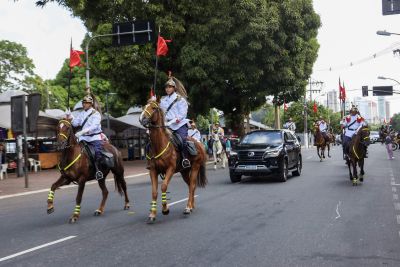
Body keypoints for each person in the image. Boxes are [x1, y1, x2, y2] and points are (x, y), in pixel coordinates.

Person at [69, 95, 104, 180]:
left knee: (97, 153)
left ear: (90, 104)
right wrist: (70, 116)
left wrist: (82, 132)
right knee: (75, 150)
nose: (84, 105)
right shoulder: (82, 113)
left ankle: (98, 171)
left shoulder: (96, 114)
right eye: (83, 103)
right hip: (83, 138)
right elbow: (75, 123)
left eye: (86, 103)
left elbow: (94, 126)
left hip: (94, 137)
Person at [160, 78, 191, 168]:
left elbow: (182, 114)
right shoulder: (163, 99)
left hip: (179, 124)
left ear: (174, 88)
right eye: (166, 87)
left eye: (170, 87)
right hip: (166, 125)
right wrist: (154, 101)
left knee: (182, 140)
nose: (167, 89)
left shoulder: (180, 99)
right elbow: (160, 111)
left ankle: (185, 159)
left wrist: (172, 121)